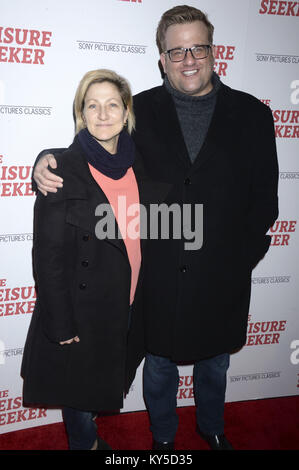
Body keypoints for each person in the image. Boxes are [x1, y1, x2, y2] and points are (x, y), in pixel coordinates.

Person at [32, 5, 279, 451]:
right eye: (177, 51)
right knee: (160, 366)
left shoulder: (254, 115)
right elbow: (94, 147)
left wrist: (237, 260)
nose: (189, 60)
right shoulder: (138, 110)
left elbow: (264, 202)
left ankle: (212, 427)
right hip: (157, 277)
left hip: (222, 277)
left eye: (198, 48)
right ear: (161, 58)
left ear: (214, 50)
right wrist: (46, 159)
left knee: (216, 364)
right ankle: (163, 439)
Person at [21, 69, 167, 450]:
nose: (103, 114)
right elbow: (48, 258)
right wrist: (60, 322)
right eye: (92, 106)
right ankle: (85, 444)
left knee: (111, 378)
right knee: (79, 394)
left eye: (112, 105)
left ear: (126, 113)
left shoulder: (142, 166)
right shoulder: (61, 172)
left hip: (129, 301)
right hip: (82, 311)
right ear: (81, 114)